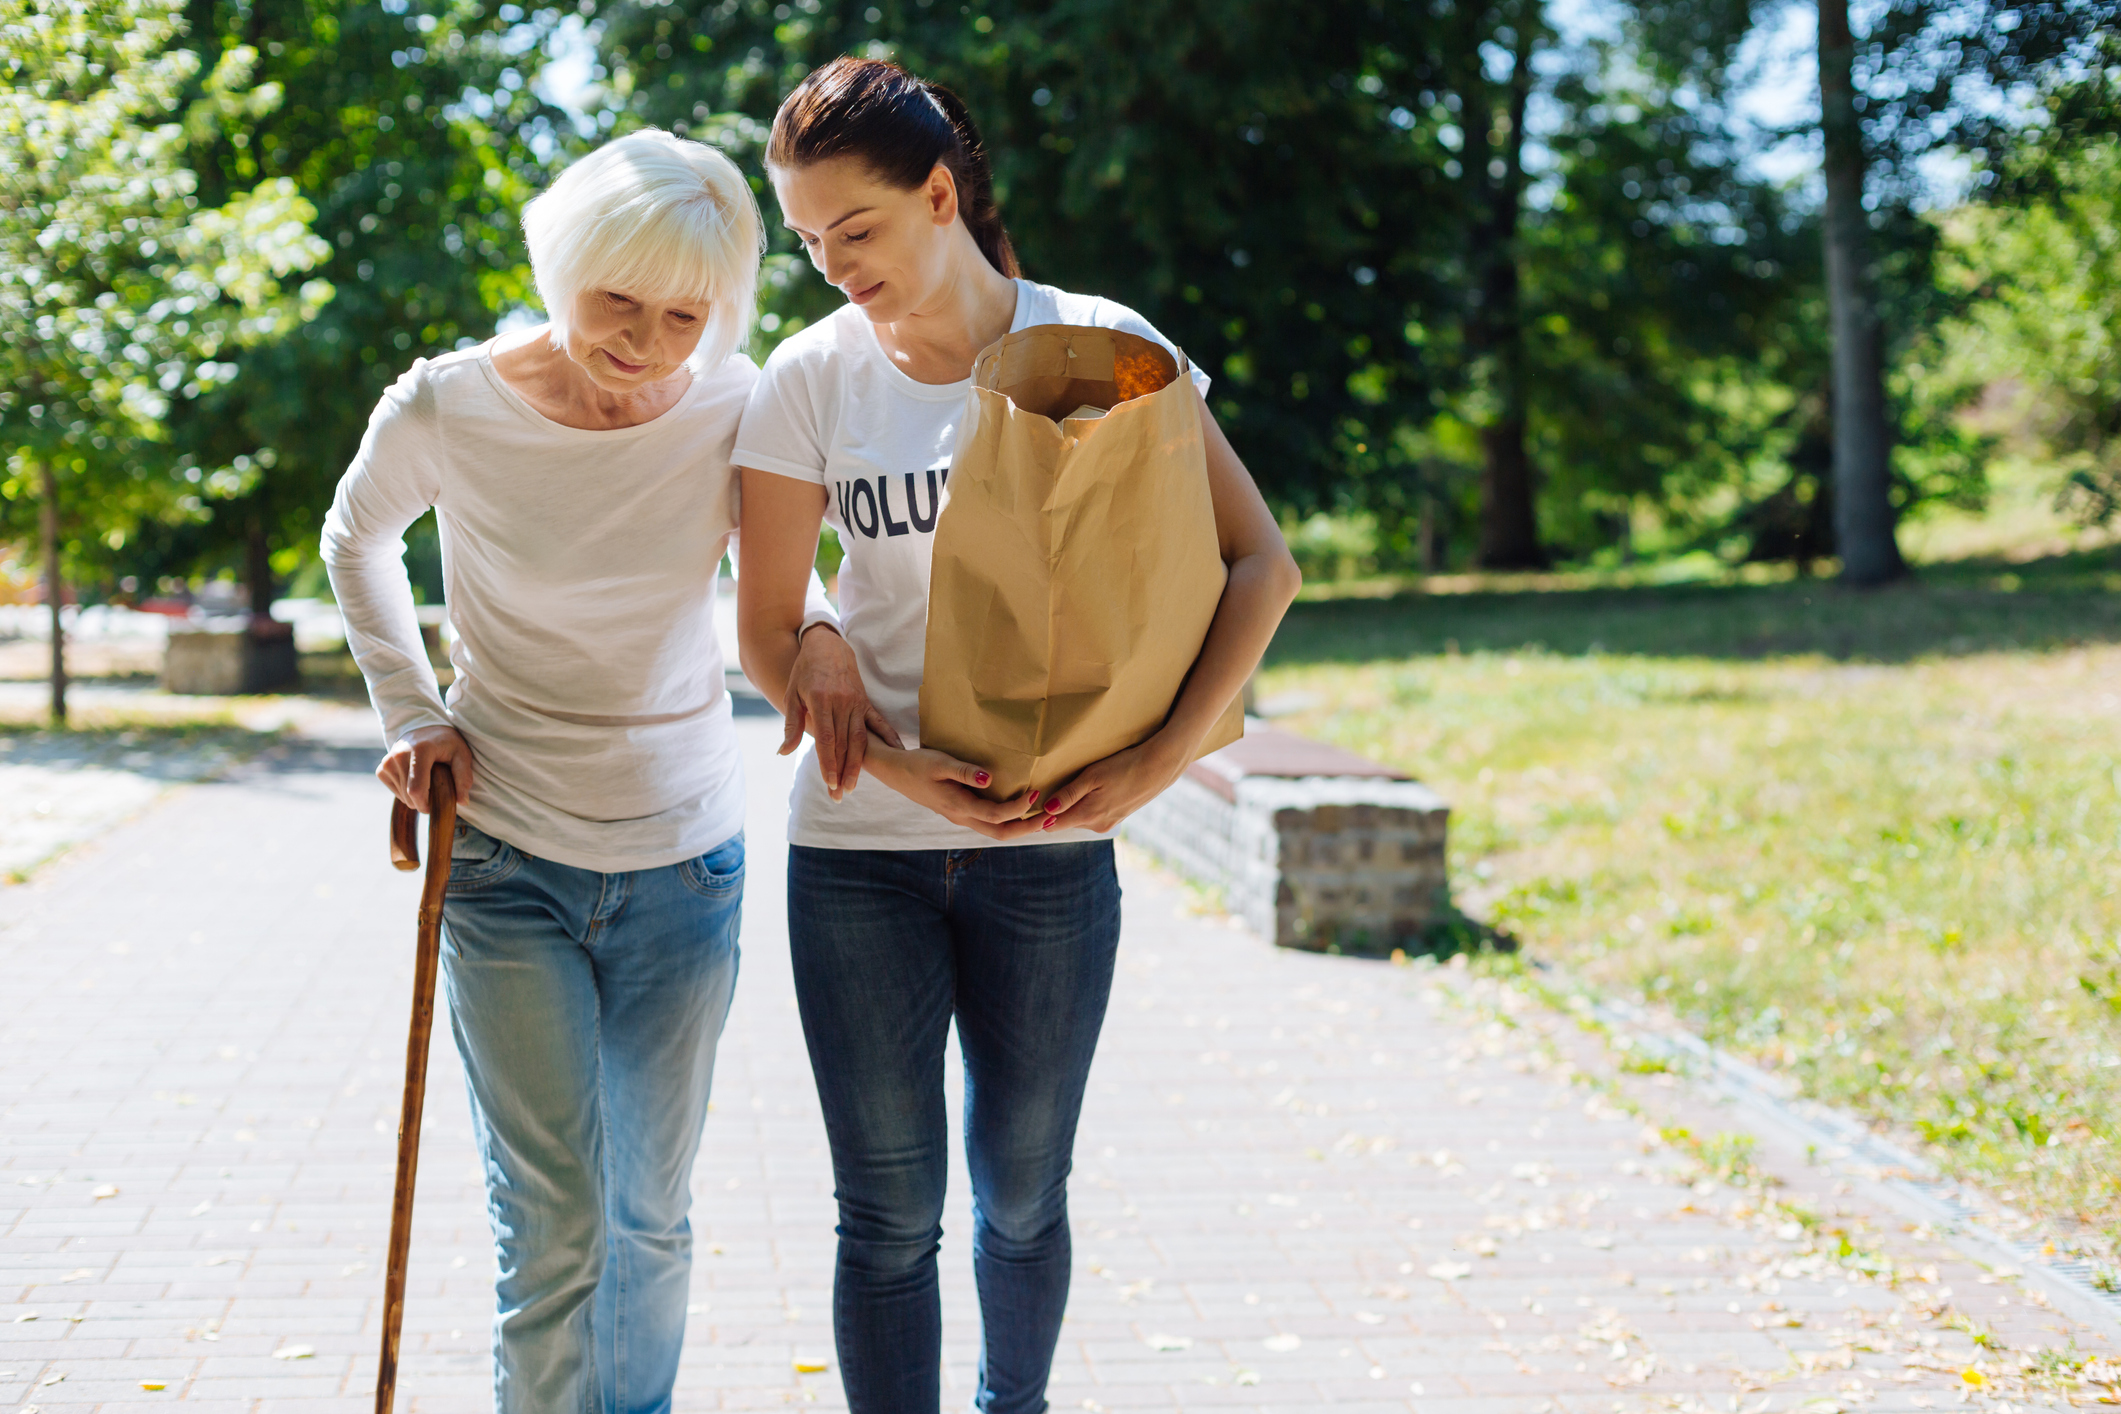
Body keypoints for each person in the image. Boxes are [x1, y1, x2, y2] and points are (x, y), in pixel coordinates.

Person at [734, 57, 1303, 1413]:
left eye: (854, 231)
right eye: (810, 241)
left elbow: (1258, 566)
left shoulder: (1095, 347)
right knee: (882, 1214)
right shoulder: (808, 381)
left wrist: (1145, 775)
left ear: (940, 195)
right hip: (859, 851)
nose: (831, 267)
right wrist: (898, 759)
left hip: (1051, 852)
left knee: (1023, 1193)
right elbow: (762, 626)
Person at [321, 128, 882, 1414]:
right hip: (507, 857)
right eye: (615, 300)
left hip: (684, 859)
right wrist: (410, 708)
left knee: (650, 1216)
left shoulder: (740, 405)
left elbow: (792, 578)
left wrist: (826, 639)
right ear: (560, 266)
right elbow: (357, 537)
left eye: (684, 314)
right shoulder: (450, 404)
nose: (644, 341)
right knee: (557, 1222)